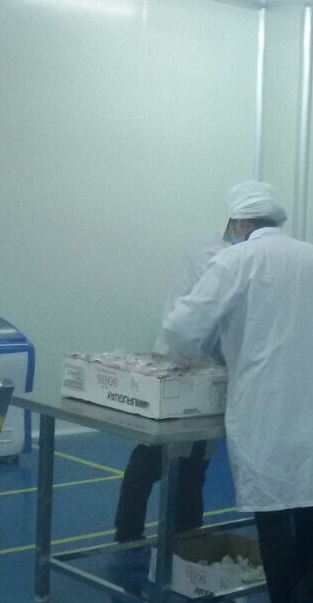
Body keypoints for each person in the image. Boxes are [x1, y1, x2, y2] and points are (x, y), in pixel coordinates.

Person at [163, 180, 313, 603]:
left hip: (267, 404)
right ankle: (308, 600)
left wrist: (189, 359)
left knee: (274, 508)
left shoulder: (236, 260)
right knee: (312, 503)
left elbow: (182, 328)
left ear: (239, 222)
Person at [113, 190, 247, 545]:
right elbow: (201, 319)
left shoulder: (242, 256)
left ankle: (186, 535)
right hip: (182, 362)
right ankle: (128, 534)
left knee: (196, 460)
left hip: (211, 368)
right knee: (153, 456)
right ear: (238, 223)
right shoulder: (211, 257)